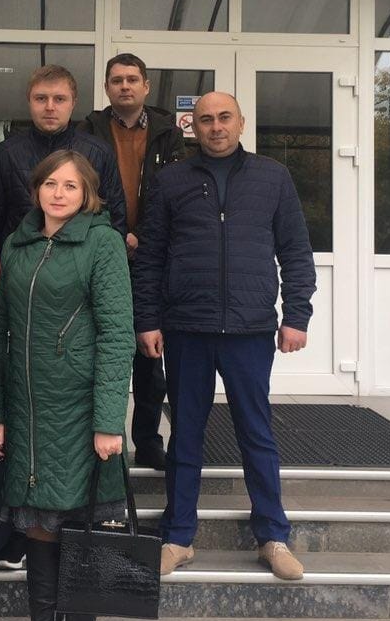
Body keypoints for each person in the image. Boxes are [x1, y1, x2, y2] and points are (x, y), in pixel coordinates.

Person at [132, 92, 315, 582]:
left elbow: (296, 251)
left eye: (224, 118)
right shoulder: (171, 181)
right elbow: (150, 256)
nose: (216, 127)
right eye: (206, 119)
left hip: (250, 329)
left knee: (256, 433)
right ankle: (177, 537)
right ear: (192, 127)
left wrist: (297, 315)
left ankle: (273, 537)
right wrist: (147, 319)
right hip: (186, 327)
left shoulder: (273, 177)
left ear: (241, 122)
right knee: (186, 435)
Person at [0, 150, 135, 621]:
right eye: (51, 183)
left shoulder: (102, 243)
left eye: (71, 185)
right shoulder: (17, 244)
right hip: (28, 414)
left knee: (84, 531)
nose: (59, 193)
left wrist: (109, 420)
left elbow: (117, 335)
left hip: (82, 413)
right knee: (39, 529)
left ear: (87, 193)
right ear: (36, 189)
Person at [79, 52, 186, 471]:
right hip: (103, 247)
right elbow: (83, 188)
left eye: (132, 79)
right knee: (99, 348)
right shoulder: (88, 130)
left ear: (146, 86)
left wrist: (147, 234)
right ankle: (95, 437)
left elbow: (174, 191)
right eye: (116, 80)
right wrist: (113, 231)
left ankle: (147, 439)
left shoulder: (168, 133)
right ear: (107, 87)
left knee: (149, 355)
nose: (124, 86)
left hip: (152, 254)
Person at [0, 64, 127, 253]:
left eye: (59, 99)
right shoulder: (3, 155)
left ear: (73, 102)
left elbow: (115, 218)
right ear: (29, 101)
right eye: (41, 98)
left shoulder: (99, 153)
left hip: (82, 265)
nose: (50, 107)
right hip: (20, 264)